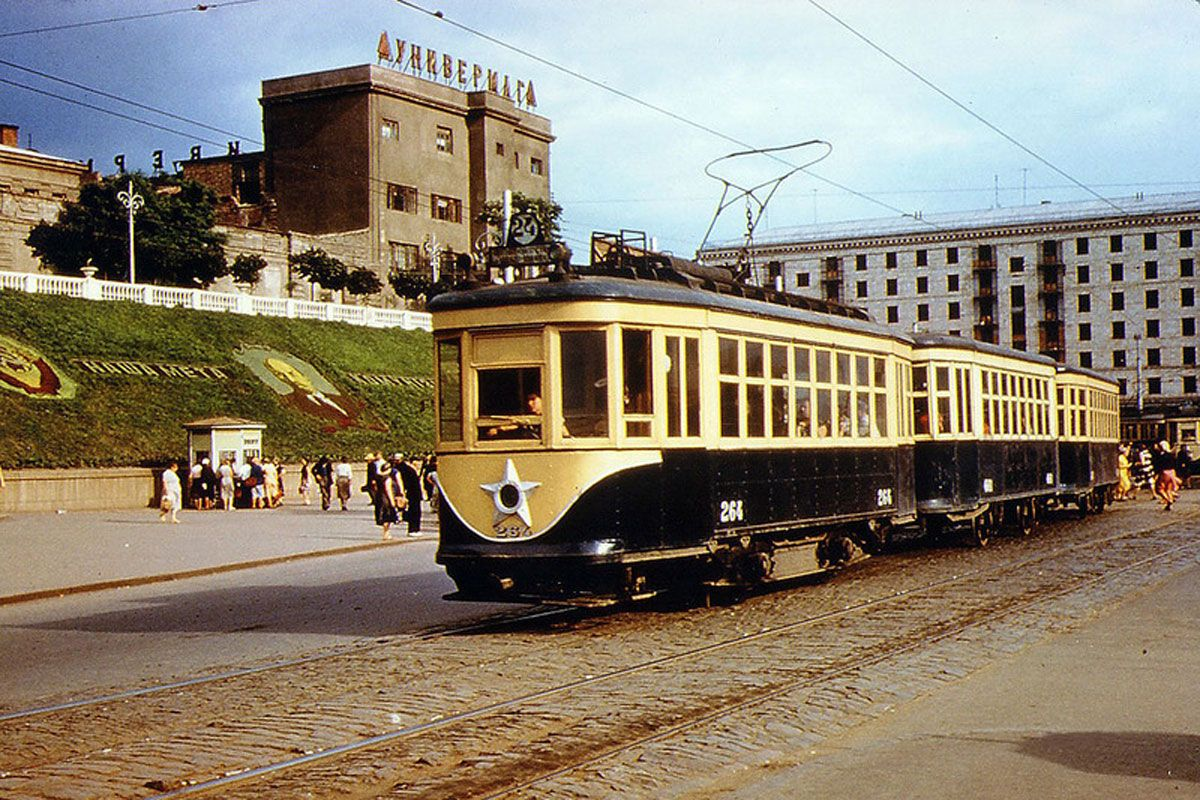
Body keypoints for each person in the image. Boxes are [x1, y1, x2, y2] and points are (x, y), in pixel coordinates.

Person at [371, 458, 406, 540]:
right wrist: (392, 501)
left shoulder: (378, 478)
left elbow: (375, 488)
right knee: (387, 516)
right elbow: (388, 490)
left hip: (379, 497)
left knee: (382, 515)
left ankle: (386, 533)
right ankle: (386, 533)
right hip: (386, 499)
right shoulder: (388, 479)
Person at [397, 453, 424, 536]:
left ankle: (414, 528)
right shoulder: (407, 469)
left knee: (414, 511)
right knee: (415, 511)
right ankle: (413, 529)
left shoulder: (403, 468)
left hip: (412, 492)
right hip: (413, 493)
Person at [1152, 440, 1181, 511]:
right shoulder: (1171, 454)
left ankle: (1168, 500)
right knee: (1168, 489)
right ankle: (1169, 505)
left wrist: (1156, 474)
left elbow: (1158, 466)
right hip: (1172, 472)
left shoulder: (1161, 455)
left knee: (1160, 489)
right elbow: (1176, 464)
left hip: (1165, 472)